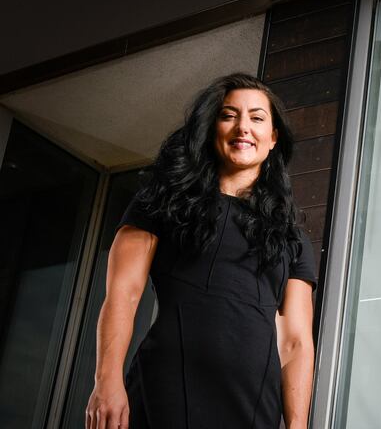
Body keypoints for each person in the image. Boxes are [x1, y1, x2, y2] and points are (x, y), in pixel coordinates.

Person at [85, 73, 318, 429]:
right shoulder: (160, 203)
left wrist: (298, 426)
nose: (243, 127)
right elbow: (123, 295)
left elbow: (296, 342)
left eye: (256, 118)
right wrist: (107, 382)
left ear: (272, 139)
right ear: (212, 128)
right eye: (229, 116)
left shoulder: (291, 238)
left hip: (253, 401)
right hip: (166, 387)